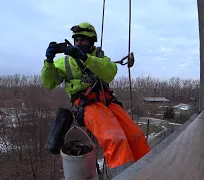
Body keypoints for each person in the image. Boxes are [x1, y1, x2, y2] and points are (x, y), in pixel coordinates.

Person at [41, 22, 150, 169]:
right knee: (115, 139)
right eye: (76, 40)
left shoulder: (100, 58)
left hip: (107, 102)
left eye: (83, 40)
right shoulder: (64, 62)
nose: (79, 43)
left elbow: (110, 72)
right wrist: (48, 62)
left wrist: (85, 58)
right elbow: (49, 84)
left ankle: (148, 171)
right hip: (85, 104)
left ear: (91, 42)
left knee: (135, 136)